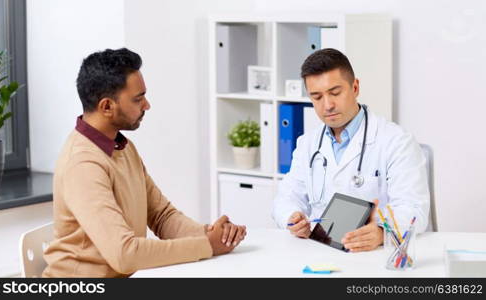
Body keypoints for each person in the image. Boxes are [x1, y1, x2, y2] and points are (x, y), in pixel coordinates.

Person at [43, 48, 246, 277]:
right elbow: (125, 254)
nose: (146, 105)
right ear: (107, 106)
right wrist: (207, 246)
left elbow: (162, 216)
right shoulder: (82, 164)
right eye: (138, 99)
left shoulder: (123, 147)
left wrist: (211, 235)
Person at [272, 48, 429, 252]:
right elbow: (285, 198)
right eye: (317, 97)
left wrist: (381, 232)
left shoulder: (396, 141)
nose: (327, 105)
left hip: (372, 256)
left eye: (335, 93)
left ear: (355, 87)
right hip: (319, 251)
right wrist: (292, 218)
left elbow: (414, 209)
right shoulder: (307, 143)